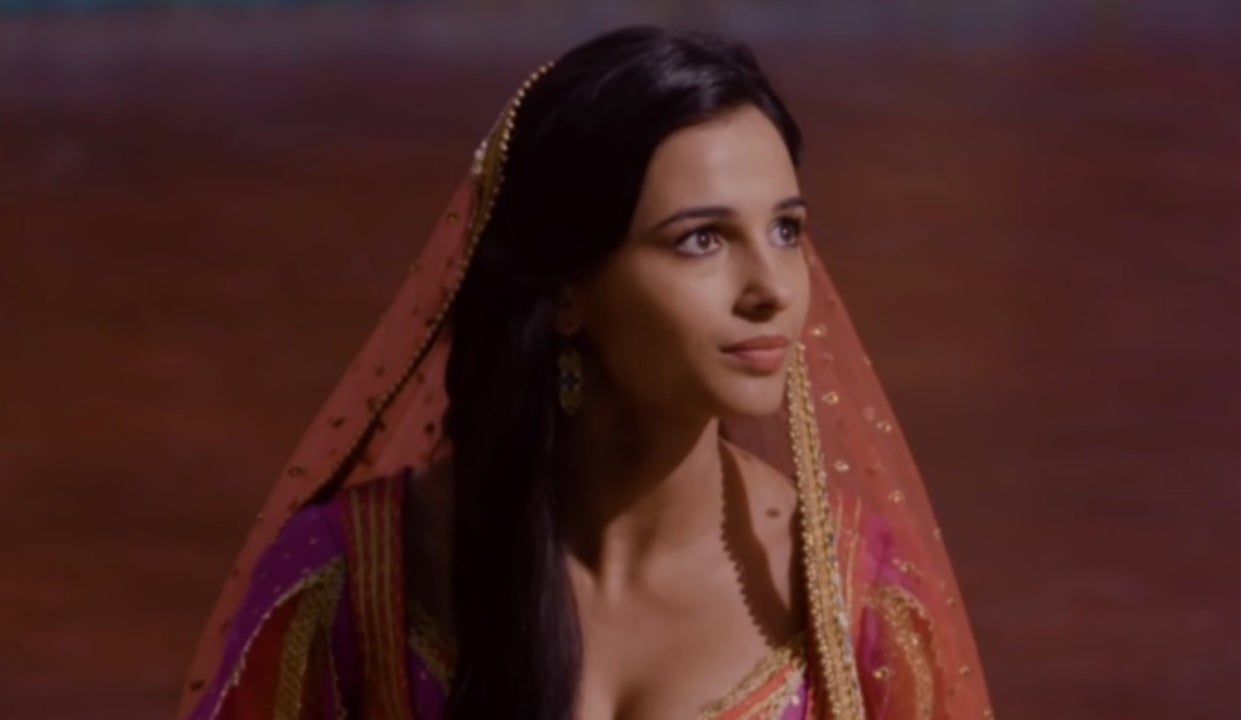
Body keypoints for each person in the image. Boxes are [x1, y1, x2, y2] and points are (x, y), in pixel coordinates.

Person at [178, 26, 992, 720]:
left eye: (786, 230)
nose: (772, 290)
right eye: (702, 239)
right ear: (567, 289)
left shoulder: (854, 604)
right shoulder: (353, 586)